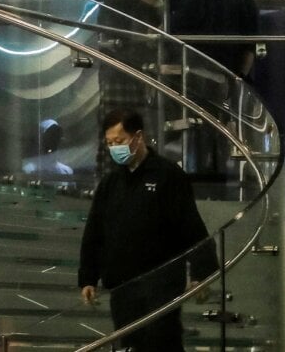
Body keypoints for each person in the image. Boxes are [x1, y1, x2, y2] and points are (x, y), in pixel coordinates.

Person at [78, 109, 218, 352]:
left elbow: (191, 226)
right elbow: (95, 233)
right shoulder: (110, 184)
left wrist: (200, 274)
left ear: (138, 137)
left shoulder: (167, 176)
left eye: (119, 141)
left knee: (162, 341)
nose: (114, 148)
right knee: (129, 344)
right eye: (110, 143)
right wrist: (88, 277)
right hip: (123, 286)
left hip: (161, 282)